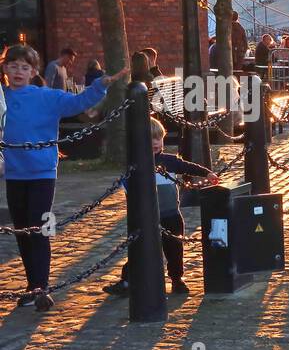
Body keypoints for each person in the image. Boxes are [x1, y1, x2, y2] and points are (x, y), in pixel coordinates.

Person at [1, 44, 127, 311]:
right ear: (5, 69)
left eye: (24, 67)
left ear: (34, 71)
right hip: (13, 173)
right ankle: (31, 284)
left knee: (39, 227)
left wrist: (100, 86)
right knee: (22, 230)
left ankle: (42, 287)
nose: (18, 72)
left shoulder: (45, 97)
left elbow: (76, 103)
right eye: (13, 66)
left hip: (42, 173)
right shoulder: (2, 99)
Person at [103, 116, 216, 298]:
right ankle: (127, 281)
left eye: (159, 138)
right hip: (147, 216)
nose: (156, 142)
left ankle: (177, 279)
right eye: (151, 139)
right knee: (140, 249)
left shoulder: (169, 160)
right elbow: (128, 187)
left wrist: (206, 173)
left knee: (174, 249)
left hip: (170, 213)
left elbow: (186, 167)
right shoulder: (135, 164)